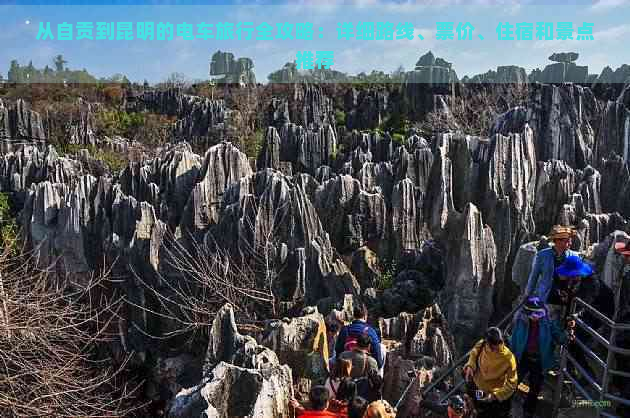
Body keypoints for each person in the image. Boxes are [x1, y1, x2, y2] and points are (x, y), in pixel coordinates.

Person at [508, 296, 569, 418]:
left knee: (535, 388)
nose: (535, 316)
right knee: (512, 384)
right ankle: (505, 408)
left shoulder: (548, 323)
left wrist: (568, 334)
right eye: (532, 313)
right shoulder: (520, 321)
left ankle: (528, 412)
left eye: (538, 313)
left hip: (540, 360)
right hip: (522, 358)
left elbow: (560, 338)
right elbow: (514, 340)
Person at [462, 327, 517, 418]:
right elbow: (474, 353)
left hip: (491, 396)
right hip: (477, 388)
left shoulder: (509, 358)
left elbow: (512, 384)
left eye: (495, 346)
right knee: (473, 409)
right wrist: (470, 367)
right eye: (490, 346)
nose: (493, 349)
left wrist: (495, 396)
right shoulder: (482, 344)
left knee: (487, 413)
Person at [525, 225, 579, 307]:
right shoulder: (542, 255)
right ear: (557, 241)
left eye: (570, 241)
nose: (570, 243)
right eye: (567, 241)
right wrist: (528, 294)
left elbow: (578, 278)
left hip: (565, 299)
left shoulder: (574, 256)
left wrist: (569, 276)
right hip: (546, 297)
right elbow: (533, 277)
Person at [336, 303, 384, 371]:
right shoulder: (371, 331)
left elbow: (338, 351)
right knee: (382, 348)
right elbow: (378, 357)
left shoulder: (345, 330)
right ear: (365, 316)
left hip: (346, 370)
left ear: (353, 316)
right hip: (365, 369)